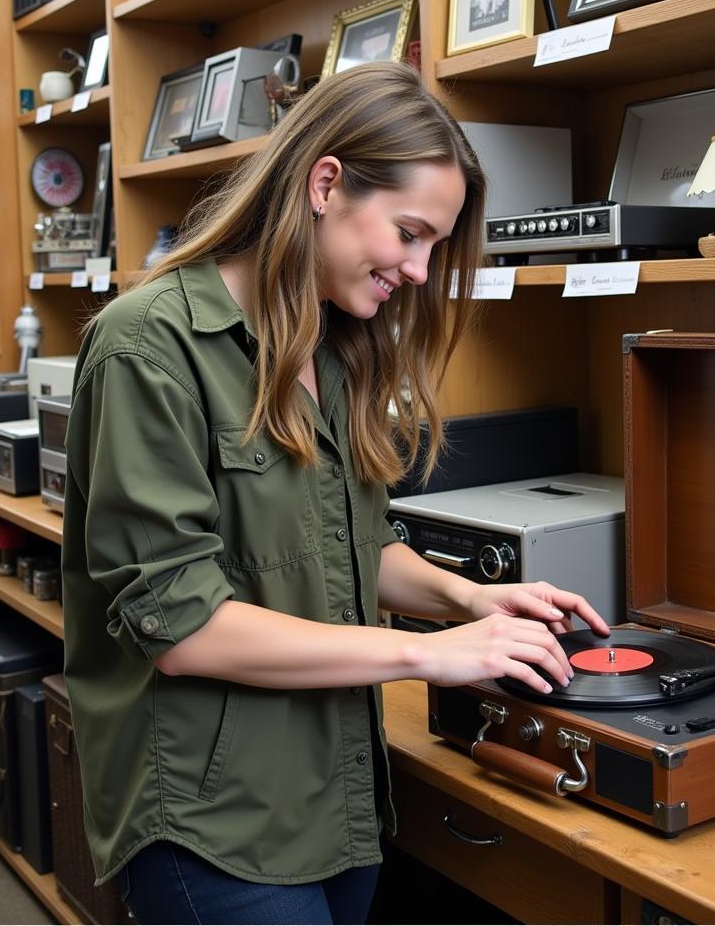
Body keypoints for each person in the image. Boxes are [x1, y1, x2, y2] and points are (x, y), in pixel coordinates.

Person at [62, 61, 609, 926]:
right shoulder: (146, 348)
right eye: (410, 233)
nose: (423, 270)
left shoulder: (335, 347)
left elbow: (359, 543)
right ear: (325, 185)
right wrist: (427, 654)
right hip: (213, 825)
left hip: (336, 797)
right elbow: (184, 628)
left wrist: (469, 597)